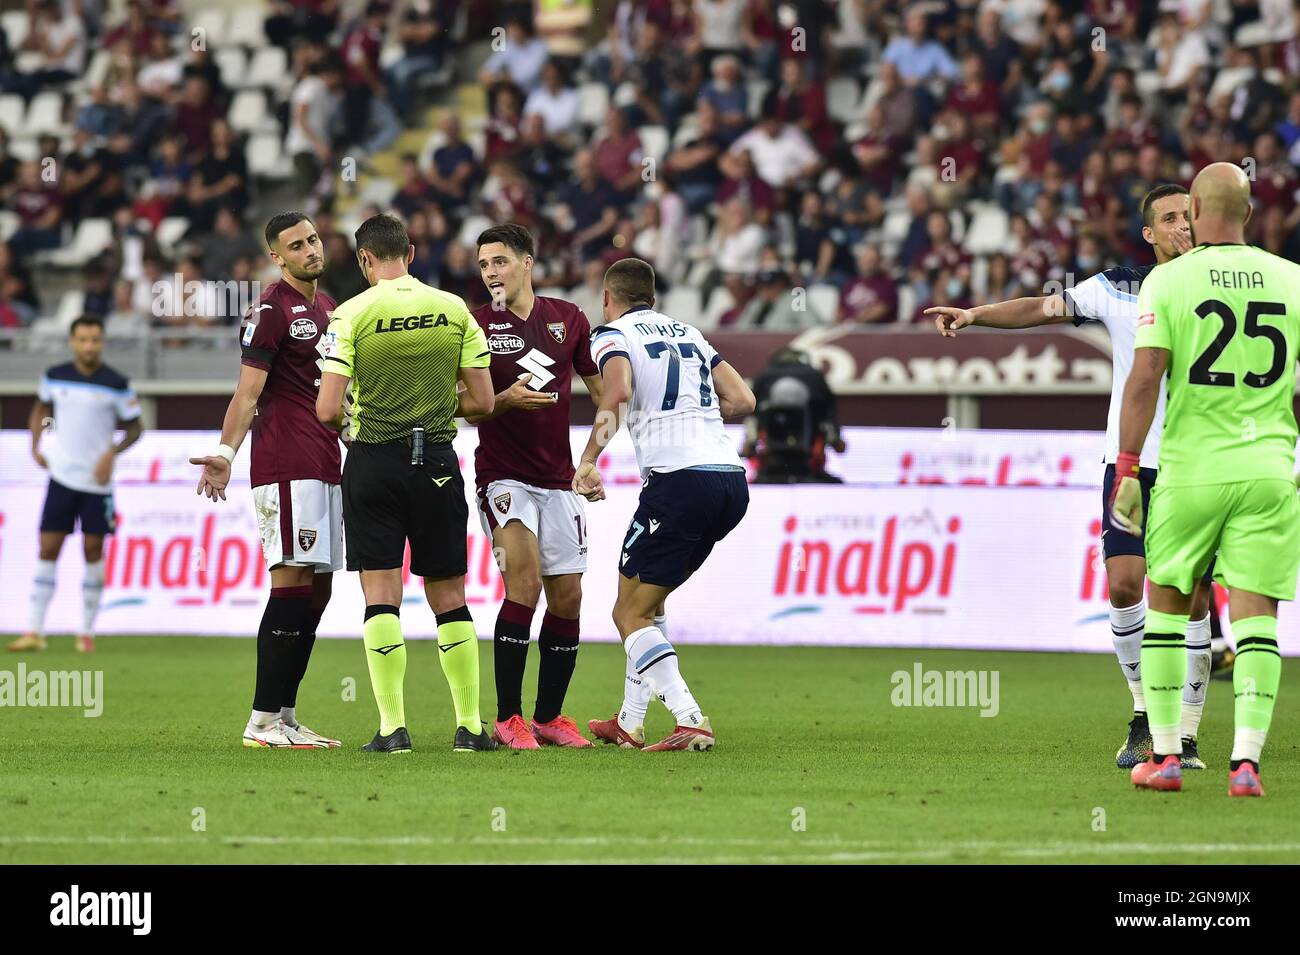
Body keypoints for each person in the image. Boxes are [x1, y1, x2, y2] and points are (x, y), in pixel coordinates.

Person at [928, 185, 1222, 771]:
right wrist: (975, 315)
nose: (1182, 227)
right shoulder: (1119, 287)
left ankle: (1184, 734)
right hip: (1131, 463)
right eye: (1169, 219)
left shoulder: (1222, 285)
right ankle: (1143, 714)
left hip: (1200, 464)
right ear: (1148, 233)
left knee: (1190, 598)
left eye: (1189, 216)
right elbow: (1042, 308)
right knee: (1123, 584)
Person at [1113, 162, 1300, 797]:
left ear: (1193, 210)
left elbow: (1145, 378)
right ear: (1248, 211)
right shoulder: (1293, 280)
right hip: (1269, 470)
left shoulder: (1168, 280)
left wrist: (1129, 466)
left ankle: (1165, 757)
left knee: (1167, 604)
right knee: (1256, 620)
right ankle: (1245, 764)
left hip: (1193, 470)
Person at [316, 213, 497, 753]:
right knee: (449, 595)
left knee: (381, 595)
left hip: (373, 463)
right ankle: (469, 726)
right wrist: (436, 403)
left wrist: (363, 416)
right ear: (411, 252)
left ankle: (393, 730)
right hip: (438, 462)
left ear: (365, 259)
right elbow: (485, 404)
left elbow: (327, 411)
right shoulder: (454, 308)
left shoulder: (349, 314)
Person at [574, 258, 756, 751]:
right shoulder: (692, 334)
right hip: (729, 481)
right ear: (652, 296)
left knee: (628, 615)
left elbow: (618, 392)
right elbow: (743, 400)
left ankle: (690, 717)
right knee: (644, 601)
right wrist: (691, 416)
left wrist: (588, 459)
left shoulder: (610, 335)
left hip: (678, 482)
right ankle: (630, 722)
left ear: (607, 298)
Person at [189, 212, 343, 749]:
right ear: (277, 257)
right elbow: (247, 393)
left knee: (318, 591)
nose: (309, 250)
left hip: (326, 463)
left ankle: (285, 713)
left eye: (313, 240)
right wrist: (227, 452)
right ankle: (261, 721)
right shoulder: (270, 310)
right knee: (292, 581)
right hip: (286, 463)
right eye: (296, 246)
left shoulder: (329, 308)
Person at [467, 223, 603, 750]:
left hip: (558, 479)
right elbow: (460, 404)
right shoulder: (475, 324)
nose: (490, 273)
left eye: (499, 261)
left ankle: (550, 717)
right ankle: (508, 717)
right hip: (502, 475)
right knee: (521, 585)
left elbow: (604, 397)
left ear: (527, 262)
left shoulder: (568, 319)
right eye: (483, 265)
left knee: (568, 596)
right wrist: (504, 400)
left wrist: (590, 460)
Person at [9, 316, 143, 654]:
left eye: (94, 340)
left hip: (97, 483)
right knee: (48, 548)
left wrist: (111, 452)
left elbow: (135, 427)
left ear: (102, 342)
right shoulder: (55, 376)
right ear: (72, 341)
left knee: (92, 550)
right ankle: (35, 630)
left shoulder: (117, 383)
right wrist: (35, 443)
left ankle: (85, 631)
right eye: (82, 339)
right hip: (62, 477)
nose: (88, 346)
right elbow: (41, 409)